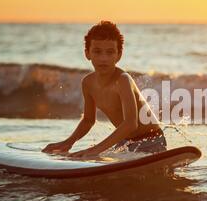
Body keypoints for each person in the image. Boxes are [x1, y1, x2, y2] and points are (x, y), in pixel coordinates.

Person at [42, 21, 166, 157]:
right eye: (97, 51)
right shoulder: (88, 83)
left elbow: (131, 124)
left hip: (152, 140)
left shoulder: (123, 80)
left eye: (110, 52)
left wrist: (95, 150)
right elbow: (88, 120)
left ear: (119, 55)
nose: (103, 58)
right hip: (125, 142)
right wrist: (68, 142)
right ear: (87, 53)